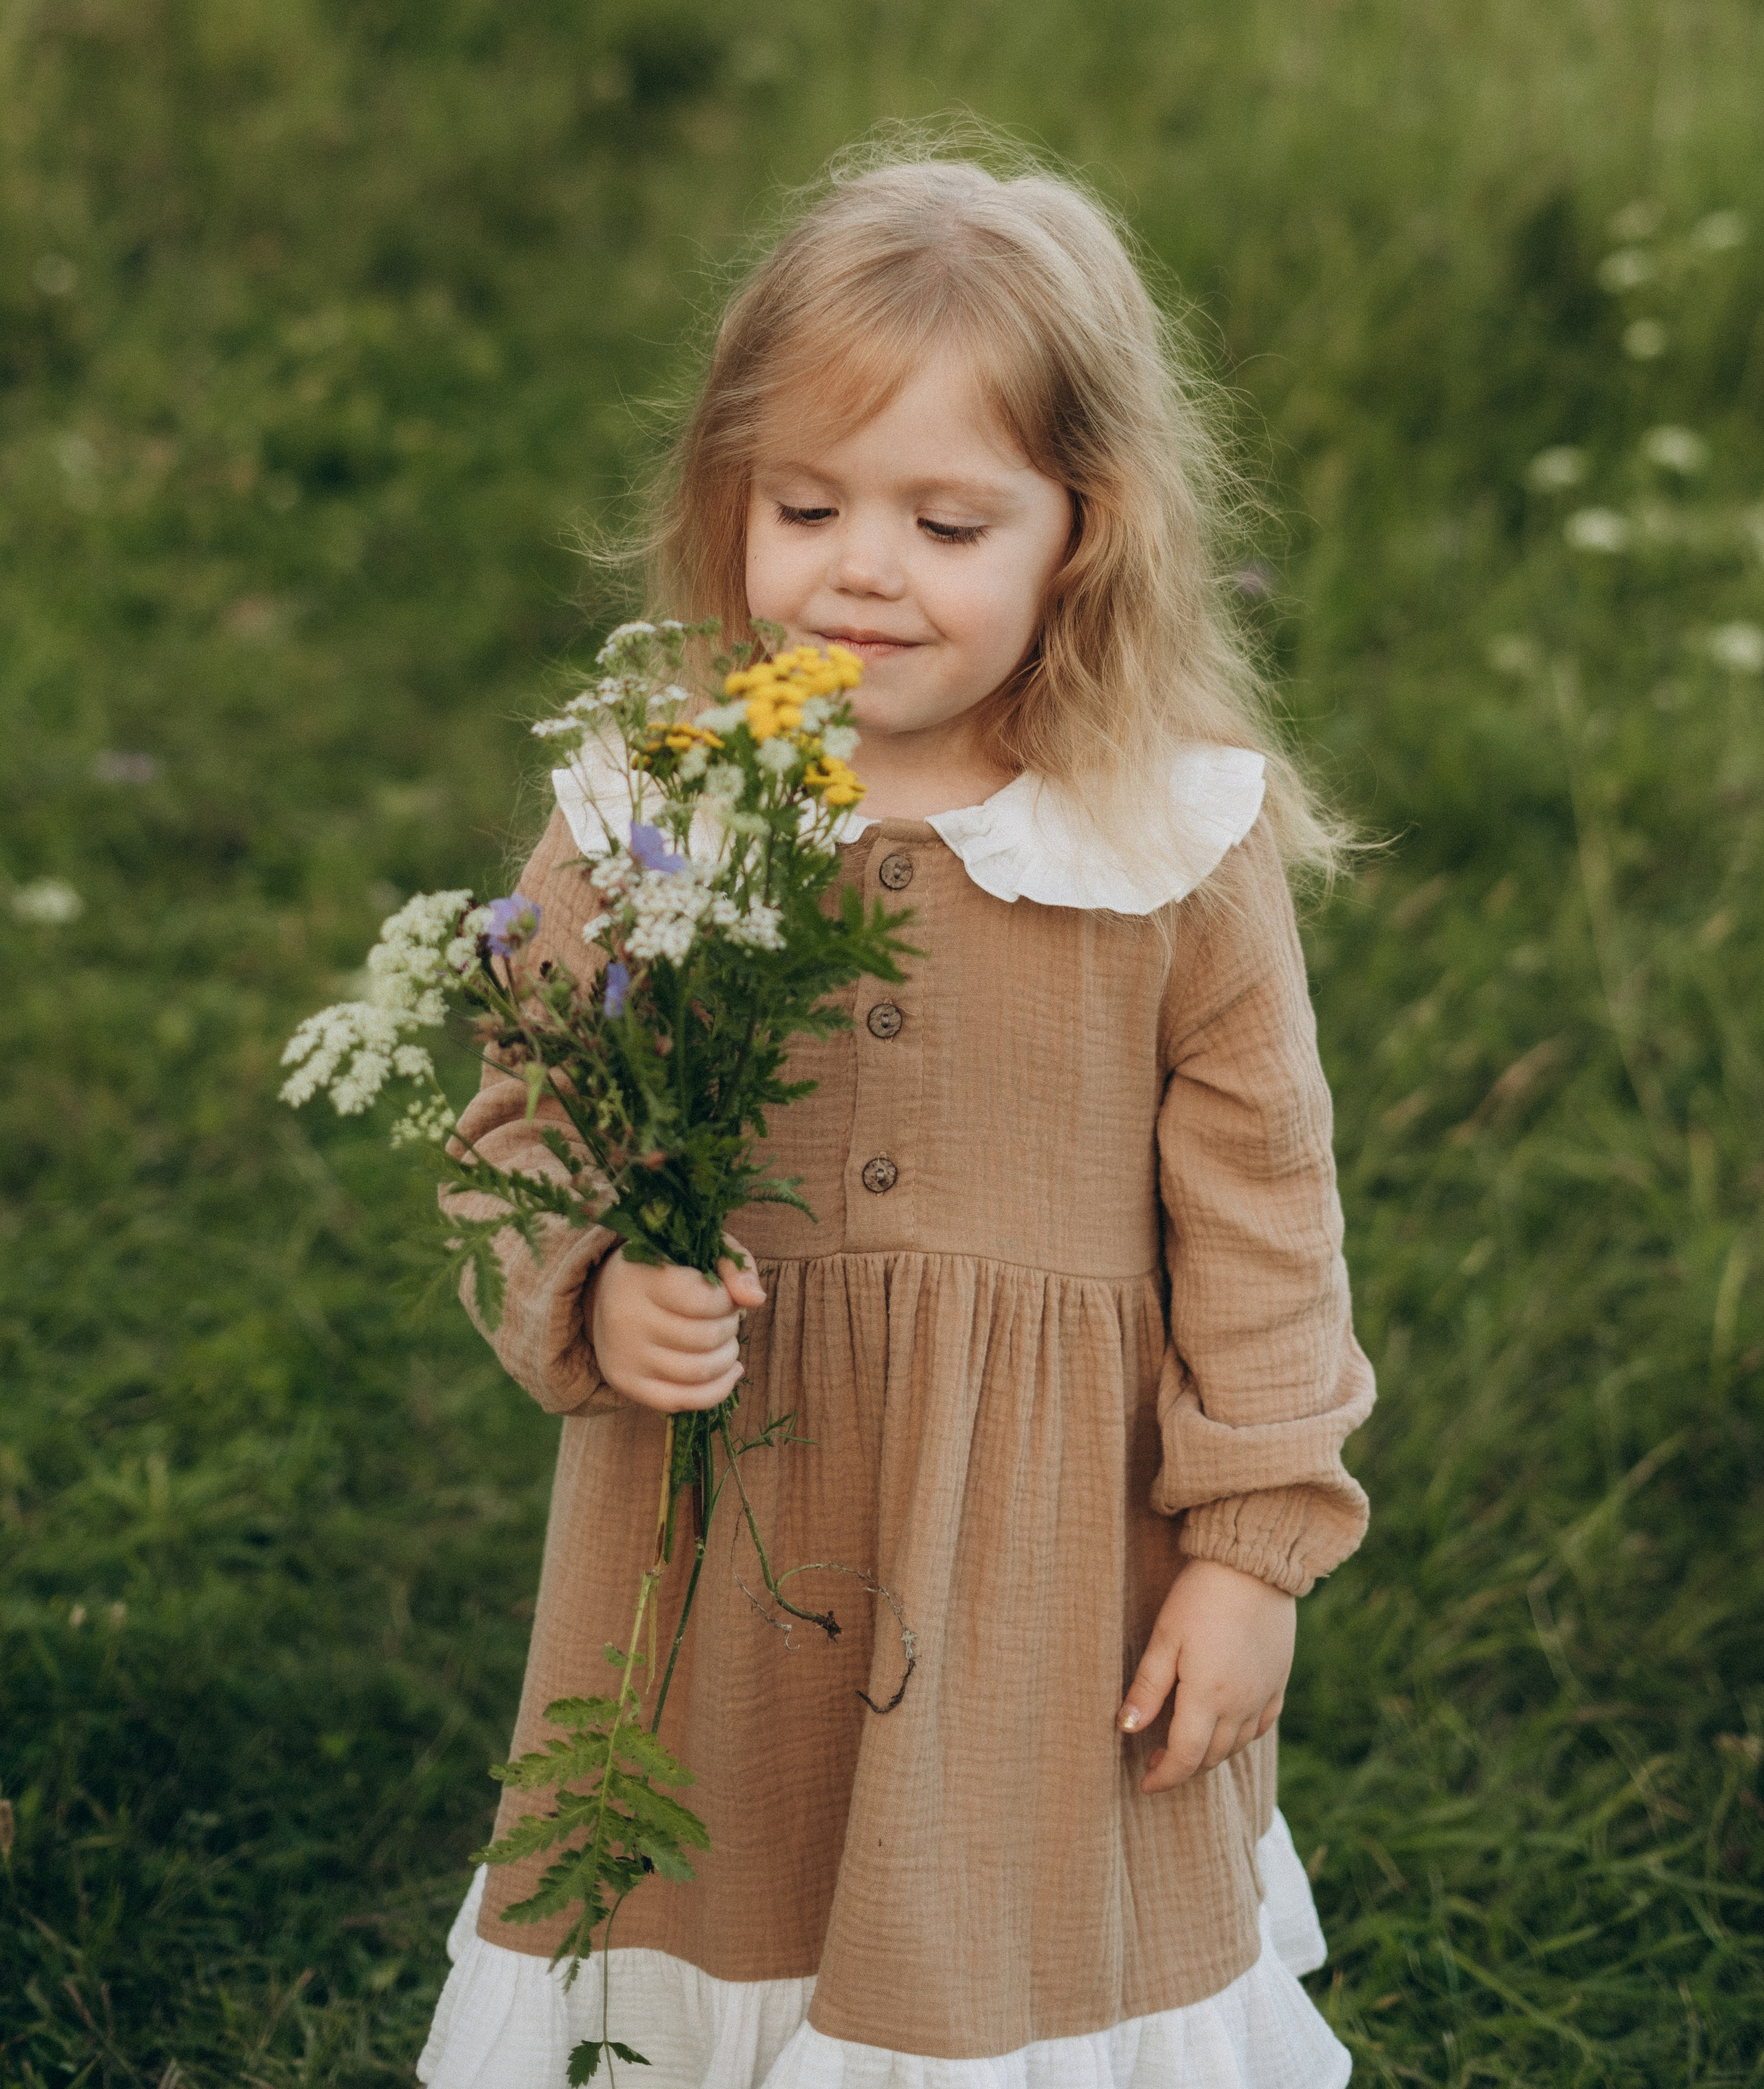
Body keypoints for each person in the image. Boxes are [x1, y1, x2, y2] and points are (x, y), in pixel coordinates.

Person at [418, 145, 1375, 2089]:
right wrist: (593, 1291)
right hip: (720, 1529)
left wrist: (1250, 1552)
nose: (863, 568)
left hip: (1039, 1564)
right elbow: (520, 1117)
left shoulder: (1165, 842)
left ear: (1078, 536)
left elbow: (1268, 1217)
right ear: (728, 502)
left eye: (948, 521)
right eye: (808, 504)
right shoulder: (660, 810)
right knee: (717, 1879)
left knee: (988, 1928)